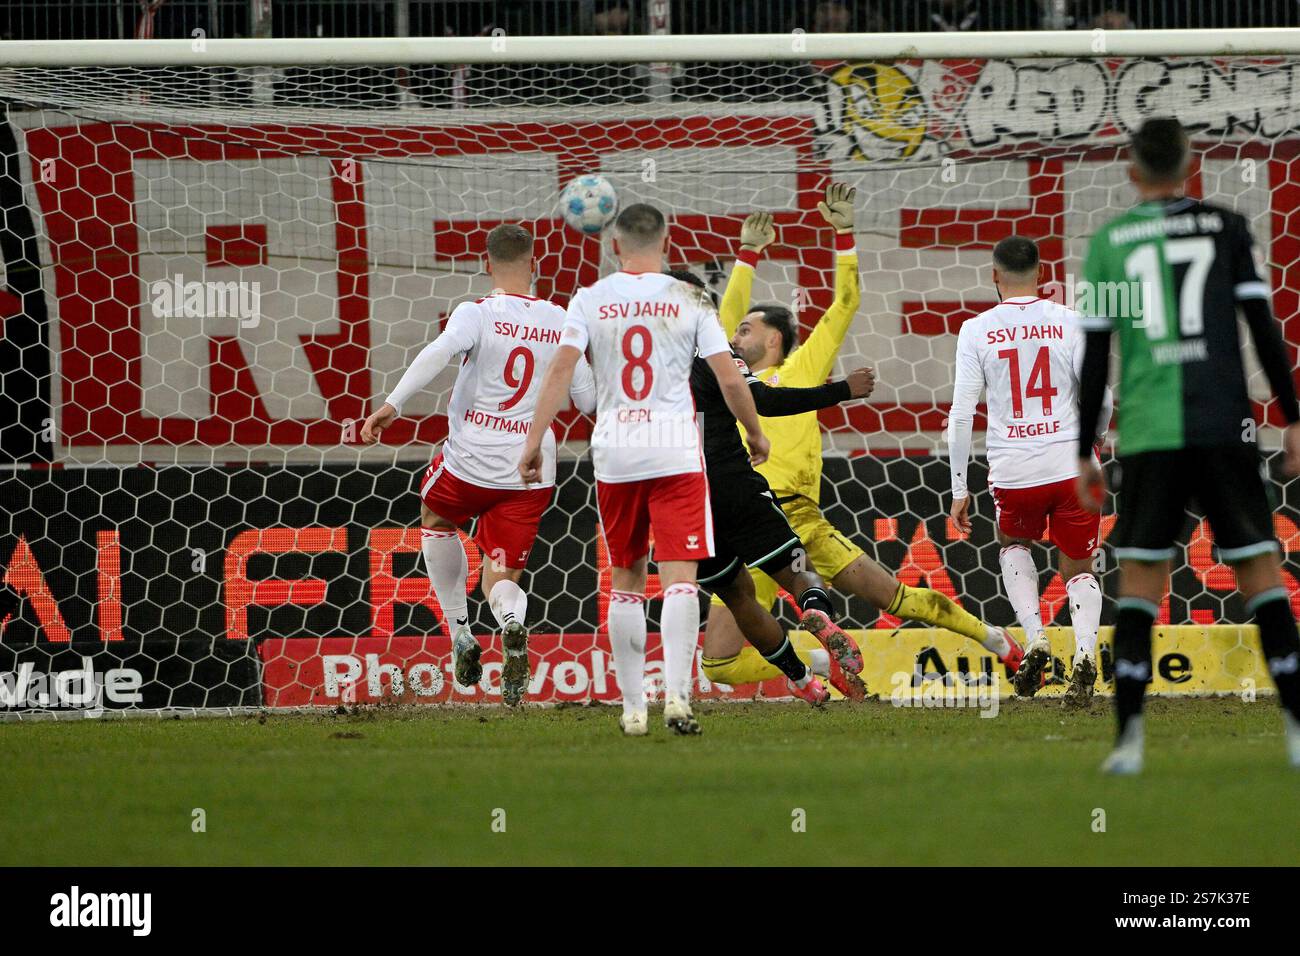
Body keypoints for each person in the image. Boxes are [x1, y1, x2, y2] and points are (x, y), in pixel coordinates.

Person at [703, 185, 1022, 689]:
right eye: (735, 331)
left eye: (746, 329)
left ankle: (998, 641)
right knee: (719, 663)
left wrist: (845, 234)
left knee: (897, 597)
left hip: (794, 514)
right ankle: (827, 664)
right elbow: (716, 326)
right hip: (751, 513)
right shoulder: (730, 379)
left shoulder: (804, 367)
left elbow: (846, 302)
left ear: (773, 338)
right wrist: (748, 255)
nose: (734, 336)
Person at [1076, 116, 1300, 773]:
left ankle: (1129, 743)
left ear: (1132, 170)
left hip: (1150, 434)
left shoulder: (1113, 241)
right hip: (1225, 423)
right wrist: (1293, 416)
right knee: (1260, 571)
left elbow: (1094, 353)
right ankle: (1294, 730)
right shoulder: (1227, 226)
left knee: (1141, 579)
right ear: (1189, 162)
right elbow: (1262, 324)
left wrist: (1083, 449)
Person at [520, 203, 769, 736]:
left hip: (617, 453)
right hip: (676, 451)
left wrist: (534, 438)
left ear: (614, 247)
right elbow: (728, 380)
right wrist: (756, 430)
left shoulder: (589, 298)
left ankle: (633, 708)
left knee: (626, 580)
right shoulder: (690, 297)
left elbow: (561, 370)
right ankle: (678, 698)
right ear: (666, 242)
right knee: (681, 577)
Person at [361, 223, 596, 707]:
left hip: (471, 462)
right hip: (532, 469)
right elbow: (587, 399)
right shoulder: (563, 319)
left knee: (436, 517)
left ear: (487, 264)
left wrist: (393, 404)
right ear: (535, 265)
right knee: (502, 575)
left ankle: (461, 633)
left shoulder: (477, 313)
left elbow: (439, 352)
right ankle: (512, 624)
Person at [671, 268, 877, 704]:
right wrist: (840, 389)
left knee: (738, 596)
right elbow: (761, 398)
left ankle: (801, 679)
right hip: (731, 482)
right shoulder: (712, 349)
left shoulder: (643, 363)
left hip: (681, 496)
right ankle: (819, 616)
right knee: (799, 572)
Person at [948, 236, 1112, 706]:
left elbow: (961, 415)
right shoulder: (1071, 322)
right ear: (1043, 275)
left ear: (994, 275)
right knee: (1080, 567)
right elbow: (1099, 396)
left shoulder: (976, 330)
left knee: (1013, 544)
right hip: (1070, 465)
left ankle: (1037, 639)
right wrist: (1093, 440)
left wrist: (958, 487)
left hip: (1013, 469)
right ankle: (1084, 654)